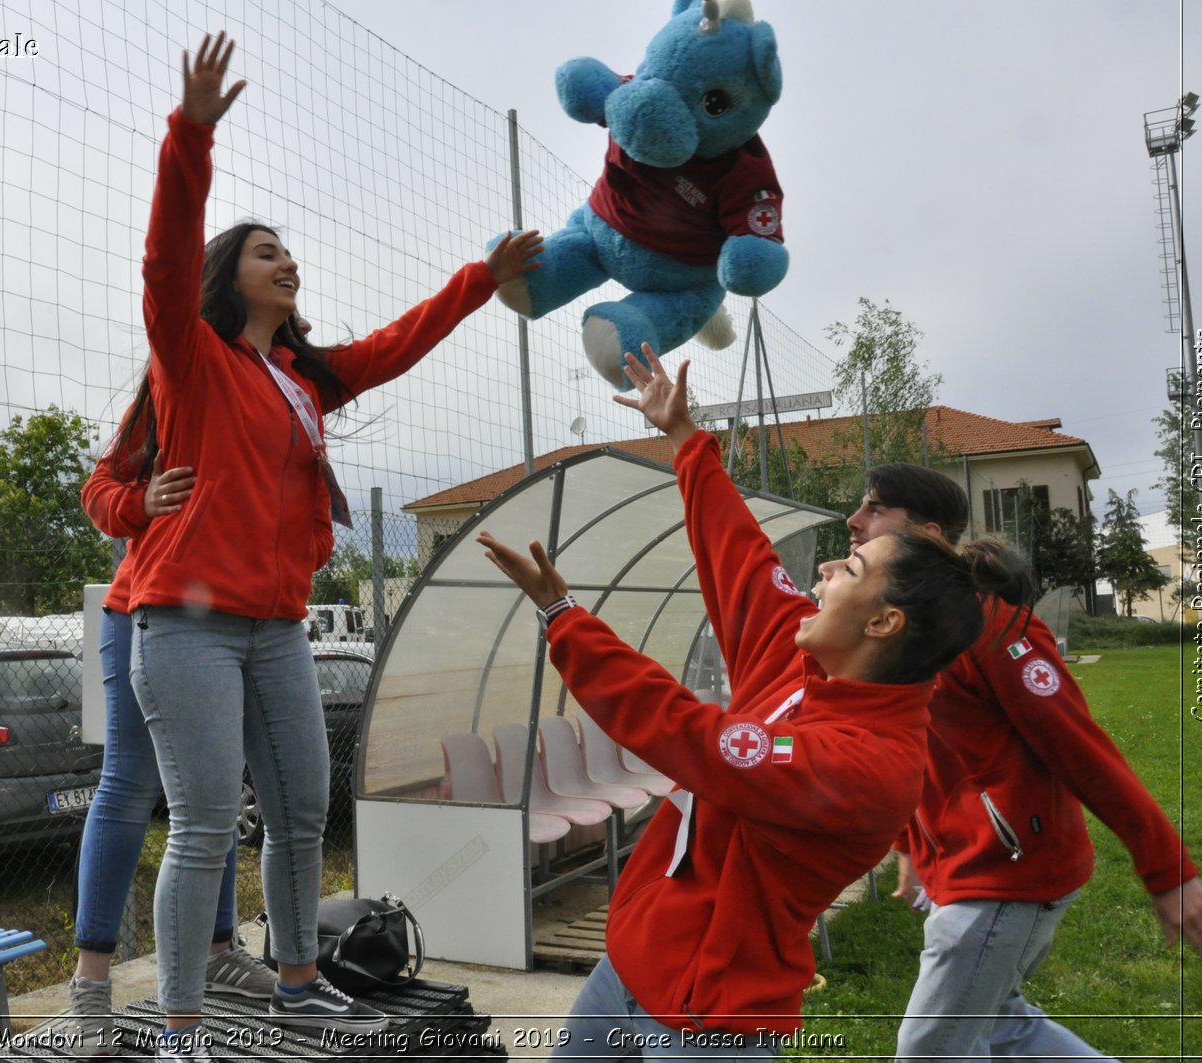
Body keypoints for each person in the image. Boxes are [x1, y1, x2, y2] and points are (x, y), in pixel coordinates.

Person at [126, 32, 543, 1056]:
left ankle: (298, 980)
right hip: (184, 627)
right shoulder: (192, 356)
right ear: (232, 276)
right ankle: (182, 1026)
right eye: (269, 252)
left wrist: (476, 282)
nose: (288, 262)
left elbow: (392, 347)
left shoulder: (302, 383)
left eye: (289, 253)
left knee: (307, 810)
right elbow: (164, 257)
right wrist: (191, 137)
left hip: (273, 630)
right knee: (206, 825)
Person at [477, 347, 1030, 1059]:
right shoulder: (806, 660)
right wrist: (684, 438)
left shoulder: (871, 763)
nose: (828, 565)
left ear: (883, 622)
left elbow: (692, 736)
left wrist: (565, 615)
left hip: (715, 1021)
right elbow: (740, 557)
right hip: (630, 968)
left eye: (851, 566)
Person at [836, 462, 1202, 1062]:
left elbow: (1081, 749)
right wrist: (912, 846)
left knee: (929, 1050)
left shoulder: (993, 626)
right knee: (998, 1025)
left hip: (1006, 875)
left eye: (874, 508)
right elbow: (915, 745)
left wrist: (1168, 869)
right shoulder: (905, 627)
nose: (854, 522)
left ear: (930, 533)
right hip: (962, 872)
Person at [65, 433, 277, 1053]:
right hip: (146, 606)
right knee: (129, 783)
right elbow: (98, 491)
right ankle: (90, 983)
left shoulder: (267, 382)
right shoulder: (170, 391)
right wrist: (140, 499)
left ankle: (216, 952)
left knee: (214, 786)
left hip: (230, 616)